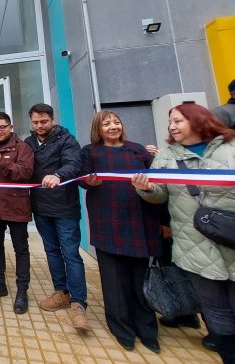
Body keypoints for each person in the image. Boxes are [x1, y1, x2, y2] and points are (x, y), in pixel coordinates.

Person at [132, 103, 235, 362]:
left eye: (178, 121)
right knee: (214, 305)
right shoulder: (166, 156)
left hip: (231, 236)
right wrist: (145, 189)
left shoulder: (230, 148)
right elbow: (160, 195)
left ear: (198, 120)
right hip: (194, 241)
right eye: (170, 122)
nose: (172, 127)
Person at [81, 111, 163, 353]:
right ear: (98, 128)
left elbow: (158, 183)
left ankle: (147, 329)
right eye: (106, 124)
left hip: (140, 222)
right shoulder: (90, 151)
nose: (113, 127)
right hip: (107, 222)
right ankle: (121, 328)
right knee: (115, 281)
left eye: (116, 122)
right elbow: (81, 178)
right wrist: (89, 182)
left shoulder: (138, 150)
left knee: (140, 280)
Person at [24, 103, 90, 333]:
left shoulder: (66, 140)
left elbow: (74, 164)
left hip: (65, 208)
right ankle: (61, 292)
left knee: (71, 253)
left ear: (52, 119)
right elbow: (23, 168)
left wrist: (57, 175)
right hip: (41, 207)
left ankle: (78, 302)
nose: (40, 126)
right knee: (51, 251)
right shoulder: (29, 143)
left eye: (44, 121)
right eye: (35, 122)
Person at [0, 112, 35, 314]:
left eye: (2, 127)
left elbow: (25, 173)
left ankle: (22, 290)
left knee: (20, 249)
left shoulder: (23, 147)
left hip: (17, 206)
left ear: (10, 127)